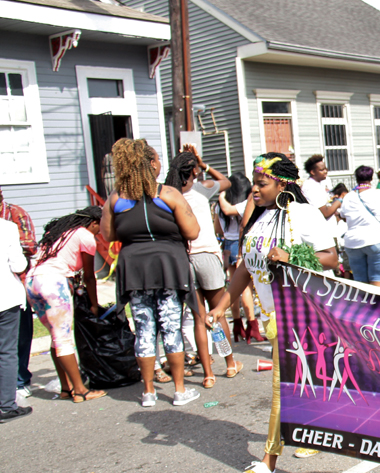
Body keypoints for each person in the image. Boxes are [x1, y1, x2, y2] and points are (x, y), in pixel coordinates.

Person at [206, 152, 338, 473]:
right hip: (272, 317)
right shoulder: (261, 220)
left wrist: (293, 255)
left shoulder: (304, 215)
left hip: (301, 313)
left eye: (261, 183)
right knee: (303, 381)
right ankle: (316, 429)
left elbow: (332, 258)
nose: (254, 189)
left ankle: (268, 463)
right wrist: (221, 306)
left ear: (282, 184)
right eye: (254, 183)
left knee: (283, 388)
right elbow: (244, 270)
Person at [100, 138, 201, 408]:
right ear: (151, 164)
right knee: (171, 327)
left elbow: (108, 234)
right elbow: (193, 231)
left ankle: (148, 392)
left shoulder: (116, 198)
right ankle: (179, 390)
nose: (159, 164)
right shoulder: (168, 194)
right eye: (156, 159)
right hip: (168, 267)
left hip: (134, 270)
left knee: (144, 329)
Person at [165, 149, 241, 390]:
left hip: (184, 259)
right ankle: (229, 363)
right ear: (193, 170)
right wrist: (204, 163)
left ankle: (208, 374)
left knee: (199, 318)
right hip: (207, 255)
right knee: (217, 312)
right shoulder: (200, 188)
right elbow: (227, 182)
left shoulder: (169, 195)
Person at [25, 207, 107, 404]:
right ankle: (80, 391)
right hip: (54, 284)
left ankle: (65, 387)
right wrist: (94, 304)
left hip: (32, 282)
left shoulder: (58, 233)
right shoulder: (86, 236)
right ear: (93, 223)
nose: (100, 231)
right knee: (63, 339)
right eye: (100, 226)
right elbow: (89, 276)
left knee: (56, 337)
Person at [217, 173, 265, 344]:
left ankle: (237, 324)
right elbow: (245, 225)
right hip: (240, 245)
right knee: (245, 288)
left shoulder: (219, 206)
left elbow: (218, 228)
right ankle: (252, 325)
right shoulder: (246, 203)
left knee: (233, 285)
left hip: (226, 247)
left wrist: (221, 196)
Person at [0, 187, 37, 401]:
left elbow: (29, 247)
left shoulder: (15, 215)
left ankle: (20, 381)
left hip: (15, 287)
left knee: (19, 338)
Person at [340, 166, 380, 287]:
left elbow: (343, 216)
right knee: (378, 280)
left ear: (356, 178)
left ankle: (365, 306)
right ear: (372, 178)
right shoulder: (378, 194)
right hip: (377, 239)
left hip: (353, 243)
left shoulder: (348, 197)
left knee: (361, 284)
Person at [0, 215, 31, 423]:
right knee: (7, 352)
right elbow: (18, 265)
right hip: (5, 297)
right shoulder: (7, 227)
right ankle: (7, 406)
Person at [302, 154, 340, 244]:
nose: (325, 172)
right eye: (321, 170)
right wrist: (339, 201)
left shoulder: (318, 184)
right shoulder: (310, 186)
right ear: (312, 172)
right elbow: (325, 212)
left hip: (329, 232)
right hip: (322, 235)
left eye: (325, 169)